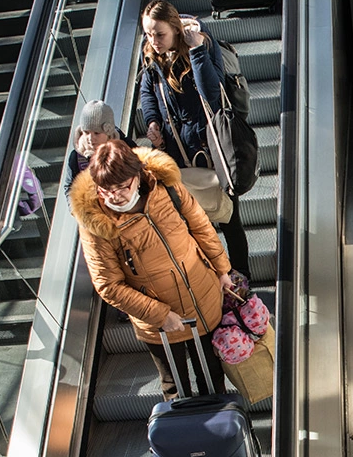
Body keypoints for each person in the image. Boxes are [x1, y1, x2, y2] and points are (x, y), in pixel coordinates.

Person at [70, 139, 233, 399]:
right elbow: (107, 285)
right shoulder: (95, 223)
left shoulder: (166, 187)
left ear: (138, 175)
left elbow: (200, 226)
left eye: (122, 187)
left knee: (213, 377)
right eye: (106, 190)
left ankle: (224, 434)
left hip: (203, 300)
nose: (114, 196)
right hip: (159, 324)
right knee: (175, 389)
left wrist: (222, 270)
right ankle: (186, 438)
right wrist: (159, 314)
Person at [139, 0, 252, 281]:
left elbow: (211, 92)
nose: (154, 41)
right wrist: (152, 121)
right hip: (177, 154)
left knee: (229, 219)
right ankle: (214, 279)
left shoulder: (202, 43)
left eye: (160, 34)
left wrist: (198, 49)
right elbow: (147, 92)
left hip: (213, 149)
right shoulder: (153, 57)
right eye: (148, 34)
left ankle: (242, 277)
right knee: (192, 223)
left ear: (176, 30)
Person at [63, 100, 126, 195]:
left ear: (108, 133)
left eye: (97, 133)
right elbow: (70, 187)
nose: (91, 138)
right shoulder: (76, 157)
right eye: (86, 132)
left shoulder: (124, 147)